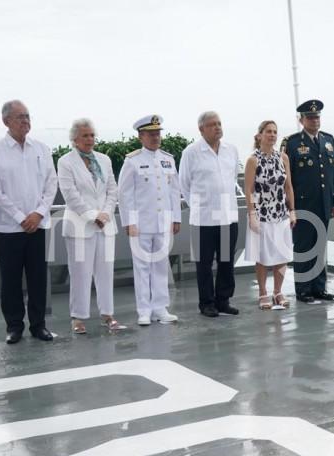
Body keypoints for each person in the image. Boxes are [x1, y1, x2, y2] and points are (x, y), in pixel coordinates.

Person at [0, 100, 58, 344]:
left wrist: (38, 213)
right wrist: (19, 217)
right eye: (20, 117)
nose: (26, 121)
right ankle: (14, 326)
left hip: (38, 225)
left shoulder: (42, 149)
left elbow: (51, 184)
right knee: (11, 279)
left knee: (38, 277)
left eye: (27, 116)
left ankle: (39, 325)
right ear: (6, 121)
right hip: (7, 228)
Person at [57, 118, 119, 334]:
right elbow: (70, 194)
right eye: (85, 135)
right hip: (80, 226)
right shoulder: (65, 162)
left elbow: (112, 190)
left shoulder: (104, 159)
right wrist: (94, 216)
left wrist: (106, 214)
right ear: (74, 139)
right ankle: (78, 317)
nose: (90, 139)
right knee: (80, 274)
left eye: (92, 135)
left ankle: (107, 314)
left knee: (105, 272)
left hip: (105, 225)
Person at [118, 115, 181, 326]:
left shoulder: (168, 159)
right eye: (151, 134)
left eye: (158, 133)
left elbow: (174, 191)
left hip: (163, 223)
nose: (156, 137)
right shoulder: (132, 161)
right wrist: (129, 222)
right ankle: (144, 310)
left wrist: (176, 218)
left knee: (161, 266)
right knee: (142, 267)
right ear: (141, 136)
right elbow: (124, 194)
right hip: (141, 224)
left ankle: (160, 308)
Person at [179, 111, 240, 317]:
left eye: (219, 123)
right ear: (201, 129)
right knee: (204, 264)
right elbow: (184, 184)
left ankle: (223, 300)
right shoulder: (191, 152)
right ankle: (206, 303)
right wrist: (199, 205)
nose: (217, 127)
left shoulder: (231, 150)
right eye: (212, 124)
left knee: (226, 261)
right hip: (203, 219)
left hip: (227, 217)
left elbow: (231, 180)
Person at [280, 99, 334, 304]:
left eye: (317, 117)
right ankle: (303, 289)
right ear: (301, 119)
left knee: (320, 246)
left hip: (323, 203)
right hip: (303, 205)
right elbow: (285, 178)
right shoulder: (293, 143)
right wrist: (290, 207)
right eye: (310, 117)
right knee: (304, 247)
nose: (315, 120)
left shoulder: (329, 140)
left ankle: (319, 288)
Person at [244, 120, 297, 309]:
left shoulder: (283, 158)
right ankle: (263, 292)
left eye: (275, 132)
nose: (272, 135)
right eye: (268, 131)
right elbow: (248, 189)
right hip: (262, 214)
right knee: (262, 256)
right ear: (259, 135)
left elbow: (289, 186)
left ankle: (278, 291)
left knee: (281, 255)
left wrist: (292, 211)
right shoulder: (253, 160)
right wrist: (252, 214)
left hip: (281, 213)